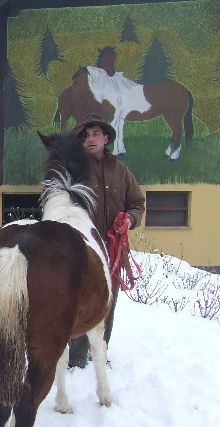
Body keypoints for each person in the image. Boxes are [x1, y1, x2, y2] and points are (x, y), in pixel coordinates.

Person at [68, 113, 145, 369]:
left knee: (107, 301)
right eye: (86, 135)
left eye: (95, 134)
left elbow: (137, 203)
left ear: (106, 138)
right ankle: (76, 357)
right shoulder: (73, 169)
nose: (90, 139)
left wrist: (130, 220)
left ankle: (99, 352)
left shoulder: (120, 170)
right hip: (81, 248)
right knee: (79, 300)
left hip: (112, 249)